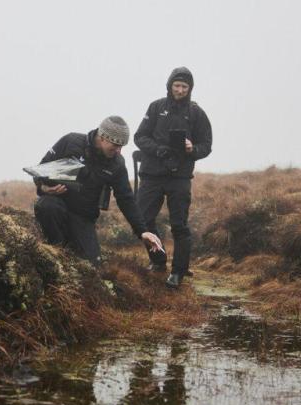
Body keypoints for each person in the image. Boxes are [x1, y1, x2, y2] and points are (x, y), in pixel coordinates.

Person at [33, 116, 163, 265]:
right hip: (56, 205)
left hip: (83, 218)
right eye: (115, 145)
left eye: (122, 147)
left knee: (93, 267)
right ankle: (56, 253)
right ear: (102, 138)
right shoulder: (71, 142)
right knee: (47, 206)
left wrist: (142, 231)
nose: (118, 151)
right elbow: (40, 170)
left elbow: (126, 199)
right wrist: (43, 188)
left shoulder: (117, 164)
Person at [134, 67, 212, 289]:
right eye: (176, 85)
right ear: (169, 86)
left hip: (180, 176)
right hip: (152, 173)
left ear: (190, 89)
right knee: (141, 220)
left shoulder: (197, 113)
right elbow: (140, 137)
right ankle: (158, 261)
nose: (179, 90)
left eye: (184, 87)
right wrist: (158, 150)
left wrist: (192, 148)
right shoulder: (156, 107)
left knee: (179, 225)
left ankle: (178, 272)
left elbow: (206, 145)